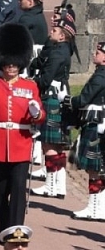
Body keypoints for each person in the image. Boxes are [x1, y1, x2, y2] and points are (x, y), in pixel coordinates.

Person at [0, 23, 45, 236]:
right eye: (8, 63)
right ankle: (3, 229)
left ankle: (15, 231)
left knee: (17, 191)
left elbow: (40, 116)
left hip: (20, 144)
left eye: (15, 63)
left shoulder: (30, 87)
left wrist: (36, 113)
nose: (11, 67)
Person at [29, 19, 74, 199]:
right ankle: (59, 185)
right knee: (57, 146)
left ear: (62, 36)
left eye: (54, 30)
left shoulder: (57, 54)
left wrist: (31, 83)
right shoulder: (62, 51)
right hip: (58, 97)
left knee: (49, 145)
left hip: (51, 98)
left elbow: (45, 79)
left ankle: (50, 185)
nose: (51, 33)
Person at [63, 40, 105, 220]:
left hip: (95, 123)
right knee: (98, 168)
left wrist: (68, 100)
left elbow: (84, 98)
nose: (94, 54)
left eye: (98, 52)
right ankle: (99, 207)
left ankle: (95, 208)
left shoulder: (101, 76)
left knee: (94, 168)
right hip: (98, 122)